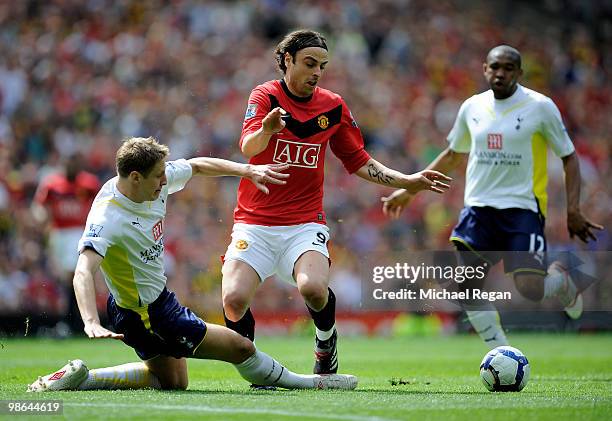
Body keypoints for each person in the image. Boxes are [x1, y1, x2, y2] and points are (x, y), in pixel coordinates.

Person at [28, 136, 357, 392]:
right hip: (146, 312)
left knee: (173, 381)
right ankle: (310, 382)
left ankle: (80, 377)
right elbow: (84, 269)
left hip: (150, 302)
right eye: (158, 177)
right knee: (241, 347)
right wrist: (89, 320)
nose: (163, 182)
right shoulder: (108, 217)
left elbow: (197, 166)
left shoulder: (149, 182)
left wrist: (246, 170)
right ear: (134, 177)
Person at [221, 29, 451, 375]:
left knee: (313, 288)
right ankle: (253, 365)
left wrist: (407, 179)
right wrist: (267, 130)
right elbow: (248, 149)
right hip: (255, 223)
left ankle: (325, 343)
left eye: (322, 66)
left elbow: (359, 161)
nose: (316, 72)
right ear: (287, 61)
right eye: (309, 63)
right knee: (233, 301)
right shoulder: (265, 95)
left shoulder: (333, 105)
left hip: (304, 223)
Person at [382, 45, 603, 348]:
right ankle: (499, 349)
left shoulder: (540, 107)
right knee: (465, 286)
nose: (500, 73)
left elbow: (569, 156)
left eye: (508, 68)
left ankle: (560, 282)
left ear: (519, 73)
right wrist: (409, 191)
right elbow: (451, 155)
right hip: (478, 210)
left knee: (530, 288)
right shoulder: (472, 107)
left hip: (522, 209)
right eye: (495, 67)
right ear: (485, 69)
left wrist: (573, 210)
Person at [32, 154, 101, 333]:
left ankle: (71, 319)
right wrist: (42, 221)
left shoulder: (89, 183)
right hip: (58, 233)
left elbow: (100, 205)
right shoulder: (52, 183)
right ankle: (71, 318)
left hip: (78, 232)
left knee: (74, 273)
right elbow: (40, 206)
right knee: (63, 277)